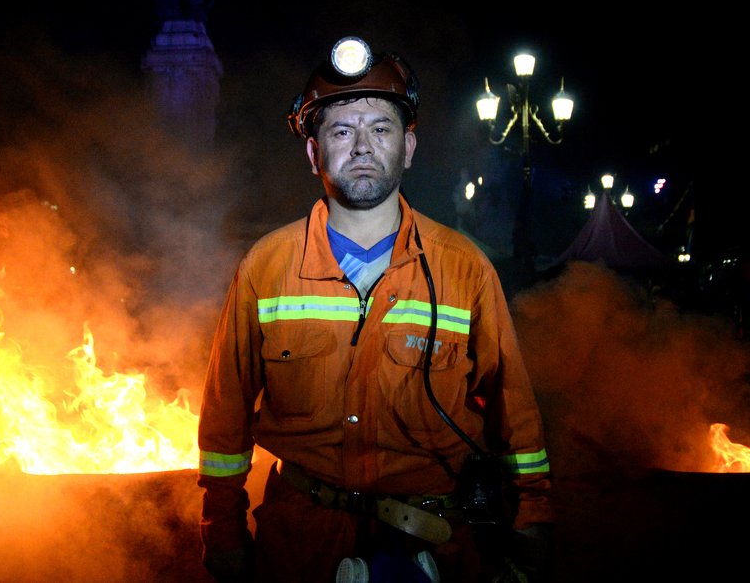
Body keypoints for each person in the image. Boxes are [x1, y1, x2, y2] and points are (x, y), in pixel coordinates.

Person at [197, 36, 555, 582]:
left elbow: (514, 409)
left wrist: (532, 517)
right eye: (341, 130)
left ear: (408, 148)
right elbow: (225, 417)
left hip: (429, 544)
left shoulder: (464, 269)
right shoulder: (264, 268)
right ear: (315, 152)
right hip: (298, 545)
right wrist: (221, 531)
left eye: (381, 128)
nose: (362, 145)